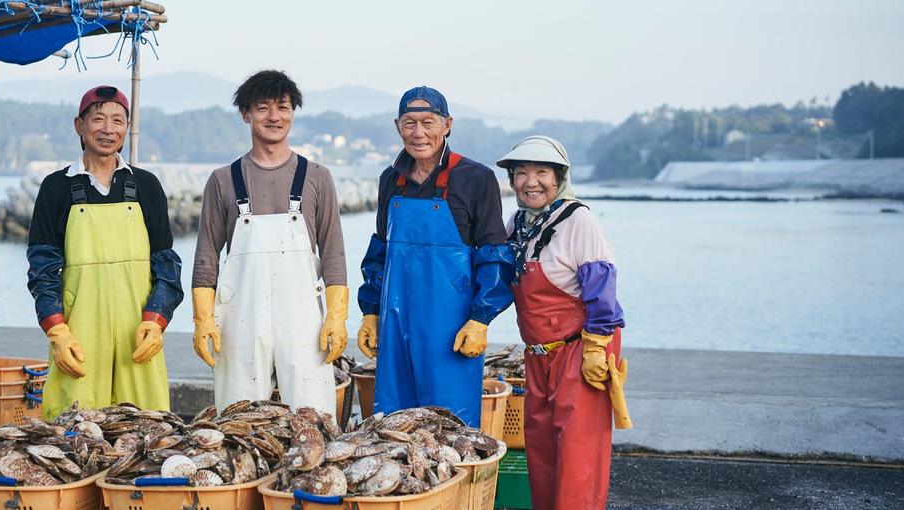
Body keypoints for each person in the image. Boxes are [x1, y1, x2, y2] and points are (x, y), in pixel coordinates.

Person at [355, 86, 514, 427]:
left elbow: (495, 255)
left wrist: (481, 319)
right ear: (398, 126)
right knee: (394, 425)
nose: (419, 133)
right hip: (396, 325)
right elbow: (380, 251)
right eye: (409, 123)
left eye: (429, 122)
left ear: (448, 125)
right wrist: (370, 311)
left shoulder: (477, 178)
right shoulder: (390, 180)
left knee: (451, 427)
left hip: (453, 329)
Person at [192, 70, 348, 417]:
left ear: (293, 113)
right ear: (246, 114)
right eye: (263, 108)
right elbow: (206, 259)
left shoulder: (317, 177)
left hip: (303, 319)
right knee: (238, 417)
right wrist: (203, 320)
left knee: (312, 416)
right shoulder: (222, 180)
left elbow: (334, 254)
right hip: (240, 318)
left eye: (284, 107)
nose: (274, 117)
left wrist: (336, 317)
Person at [26, 85, 183, 418]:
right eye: (98, 119)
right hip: (79, 334)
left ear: (127, 129)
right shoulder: (56, 188)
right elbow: (42, 268)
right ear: (79, 126)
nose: (108, 129)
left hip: (136, 334)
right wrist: (57, 330)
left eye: (118, 121)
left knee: (146, 430)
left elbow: (167, 265)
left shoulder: (146, 186)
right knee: (73, 434)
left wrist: (156, 320)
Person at [498, 135, 626, 509]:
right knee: (541, 452)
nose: (530, 181)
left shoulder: (578, 220)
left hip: (580, 349)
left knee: (578, 456)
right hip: (538, 355)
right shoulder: (517, 224)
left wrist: (597, 348)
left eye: (541, 172)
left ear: (559, 178)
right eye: (521, 172)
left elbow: (602, 288)